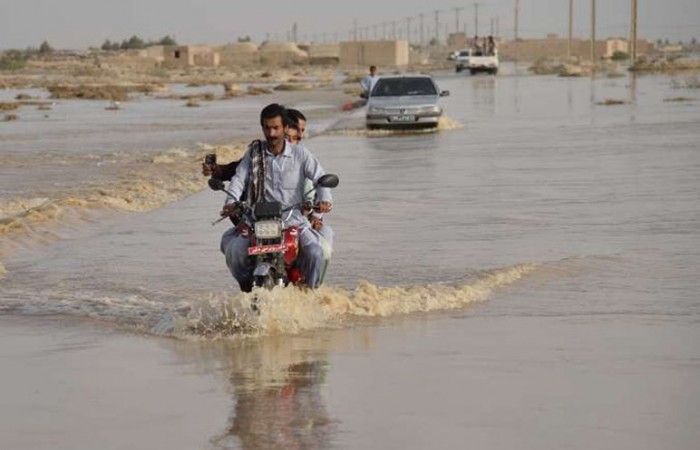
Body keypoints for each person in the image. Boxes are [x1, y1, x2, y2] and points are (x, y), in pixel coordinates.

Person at [220, 103, 332, 292]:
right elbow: (239, 178)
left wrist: (325, 199)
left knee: (315, 253)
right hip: (257, 223)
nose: (271, 133)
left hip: (293, 223)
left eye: (275, 128)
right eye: (267, 127)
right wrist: (230, 202)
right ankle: (246, 290)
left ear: (285, 128)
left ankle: (311, 295)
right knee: (236, 252)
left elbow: (321, 178)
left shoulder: (301, 154)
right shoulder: (254, 154)